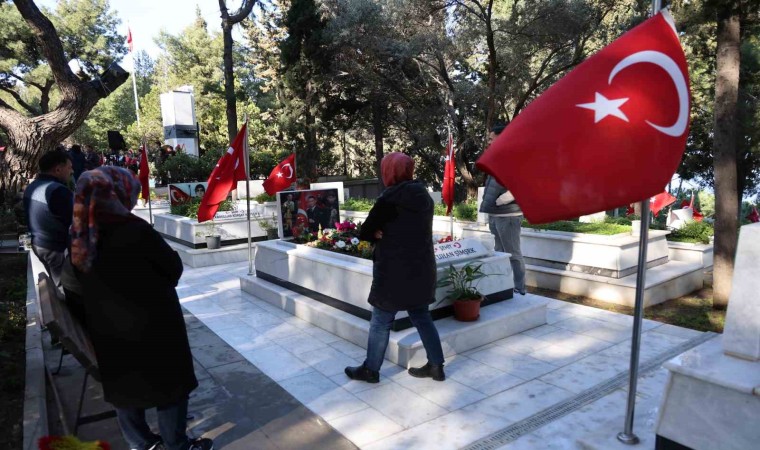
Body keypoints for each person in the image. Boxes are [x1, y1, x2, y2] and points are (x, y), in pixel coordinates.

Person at [68, 166, 213, 450]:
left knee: (125, 388)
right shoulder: (133, 229)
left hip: (108, 333)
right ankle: (176, 445)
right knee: (172, 386)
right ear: (117, 193)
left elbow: (72, 283)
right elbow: (172, 268)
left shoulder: (79, 233)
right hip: (154, 329)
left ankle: (141, 443)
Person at [345, 152, 445, 383]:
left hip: (393, 272)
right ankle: (437, 366)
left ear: (389, 171)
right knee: (422, 317)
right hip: (421, 269)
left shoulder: (390, 198)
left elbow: (366, 231)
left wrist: (378, 232)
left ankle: (371, 369)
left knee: (380, 321)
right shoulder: (424, 197)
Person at [479, 123, 526, 295]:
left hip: (509, 214)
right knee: (499, 253)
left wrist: (500, 201)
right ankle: (505, 286)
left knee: (512, 254)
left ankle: (519, 288)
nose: (490, 142)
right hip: (496, 214)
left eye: (492, 138)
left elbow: (520, 185)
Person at [23, 149, 74, 289]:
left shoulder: (32, 186)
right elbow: (76, 221)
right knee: (66, 289)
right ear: (58, 169)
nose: (72, 171)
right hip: (54, 248)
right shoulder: (58, 190)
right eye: (69, 167)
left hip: (39, 244)